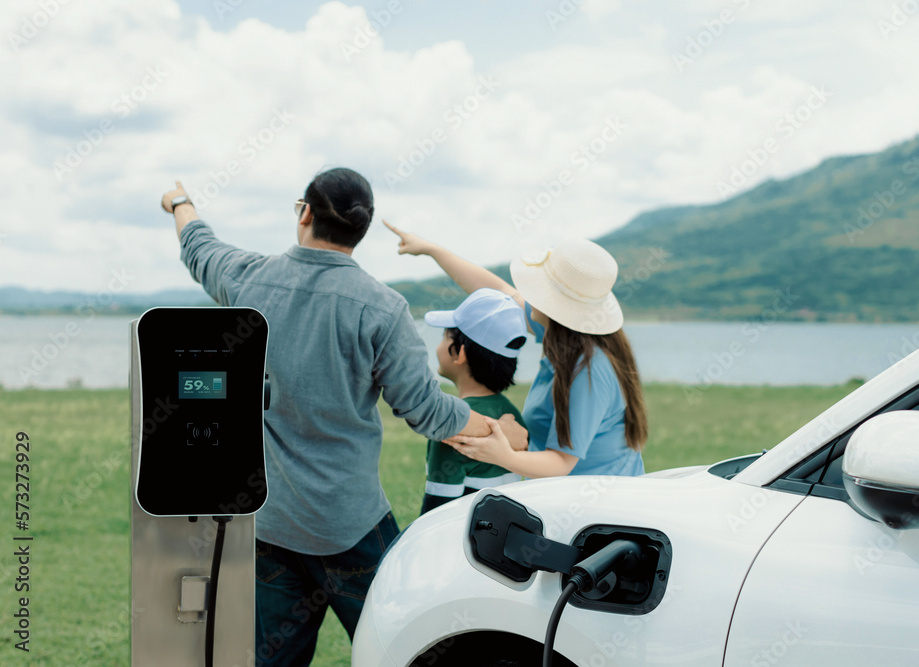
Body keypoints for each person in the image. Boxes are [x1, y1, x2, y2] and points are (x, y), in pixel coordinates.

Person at [160, 171, 526, 666]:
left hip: (271, 523)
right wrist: (493, 428)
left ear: (305, 213)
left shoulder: (249, 280)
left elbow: (200, 249)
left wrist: (180, 201)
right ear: (362, 230)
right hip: (351, 525)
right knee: (412, 650)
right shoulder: (383, 308)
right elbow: (427, 410)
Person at [385, 221, 648, 479]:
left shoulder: (590, 370)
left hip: (597, 509)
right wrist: (432, 250)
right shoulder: (565, 332)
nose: (529, 293)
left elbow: (562, 462)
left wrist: (504, 456)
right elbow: (498, 291)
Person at [421, 288, 529, 514]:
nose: (439, 345)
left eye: (444, 336)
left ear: (459, 353)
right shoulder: (511, 415)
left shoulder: (454, 426)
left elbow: (437, 511)